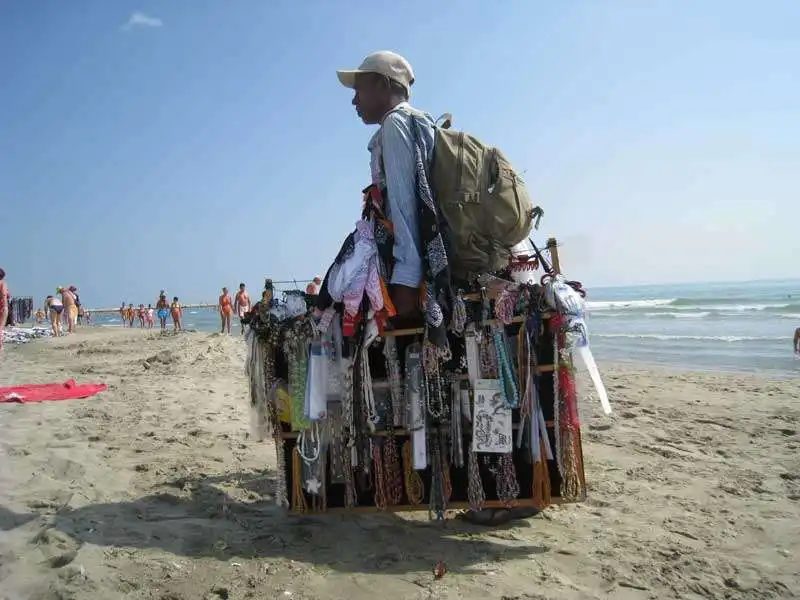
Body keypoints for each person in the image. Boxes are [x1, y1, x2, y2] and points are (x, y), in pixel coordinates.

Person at [336, 51, 530, 526]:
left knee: (465, 382)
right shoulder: (424, 125)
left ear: (384, 84)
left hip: (431, 283)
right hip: (461, 276)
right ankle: (508, 489)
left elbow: (407, 210)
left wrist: (405, 286)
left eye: (358, 88)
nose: (354, 100)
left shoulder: (397, 129)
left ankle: (499, 494)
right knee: (480, 381)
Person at [0, 268, 7, 352]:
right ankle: (0, 347)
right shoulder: (2, 283)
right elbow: (4, 296)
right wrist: (5, 308)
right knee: (1, 327)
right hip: (1, 306)